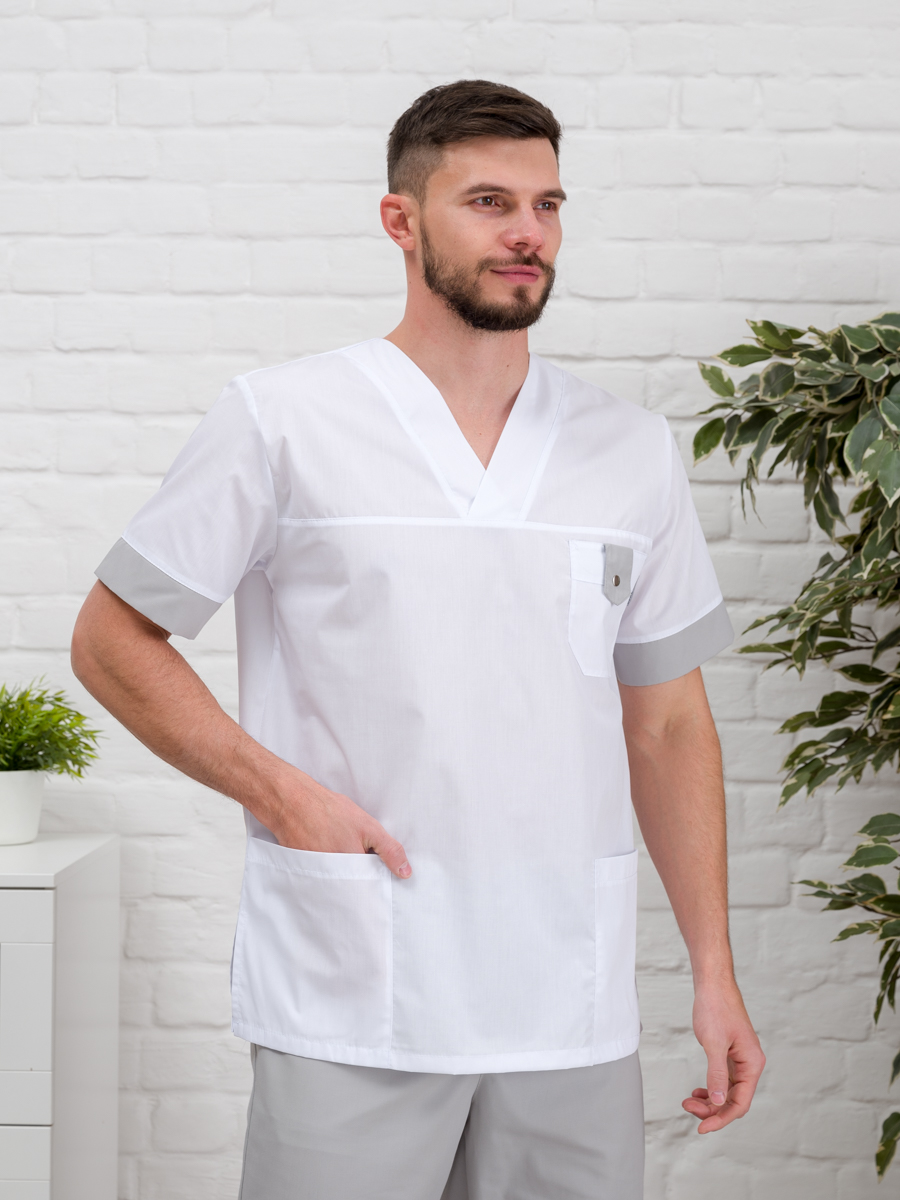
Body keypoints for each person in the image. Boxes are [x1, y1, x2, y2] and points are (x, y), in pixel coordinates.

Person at [71, 79, 765, 1200]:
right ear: (401, 220)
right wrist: (284, 795)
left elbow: (670, 724)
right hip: (356, 985)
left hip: (567, 1002)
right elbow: (112, 638)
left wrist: (715, 972)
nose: (527, 232)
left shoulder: (630, 450)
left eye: (546, 204)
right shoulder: (284, 419)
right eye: (489, 202)